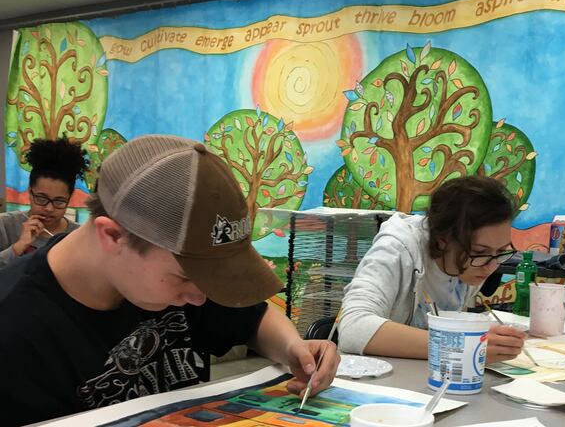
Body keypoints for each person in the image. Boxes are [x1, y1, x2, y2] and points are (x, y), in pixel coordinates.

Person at [0, 135, 339, 426]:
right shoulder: (15, 330)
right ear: (114, 237)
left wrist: (293, 348)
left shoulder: (176, 283)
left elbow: (252, 318)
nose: (199, 297)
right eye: (187, 277)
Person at [338, 175, 526, 363]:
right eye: (479, 251)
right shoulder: (396, 249)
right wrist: (460, 344)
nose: (491, 266)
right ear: (442, 240)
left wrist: (473, 335)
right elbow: (352, 328)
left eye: (501, 251)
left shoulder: (473, 264)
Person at [0, 138, 88, 268]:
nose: (49, 208)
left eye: (59, 201)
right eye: (41, 198)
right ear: (30, 192)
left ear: (69, 198)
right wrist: (18, 247)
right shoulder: (6, 226)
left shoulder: (78, 236)